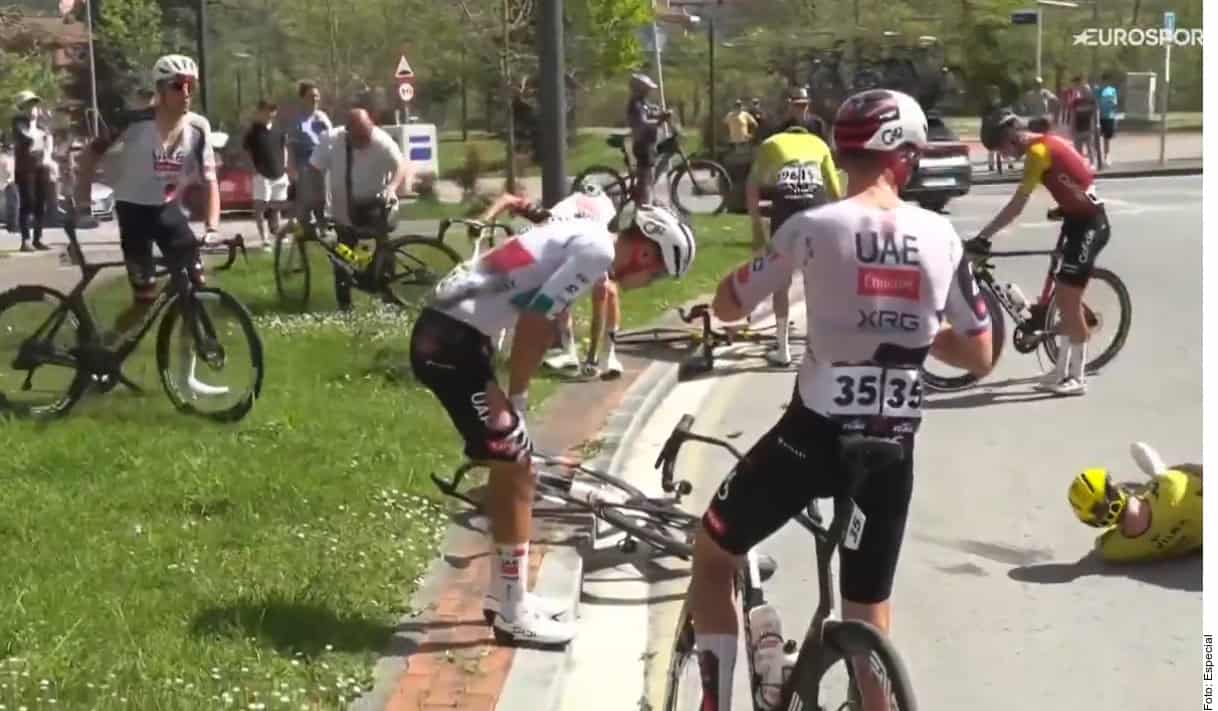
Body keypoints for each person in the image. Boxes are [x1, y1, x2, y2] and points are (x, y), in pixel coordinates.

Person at [687, 89, 992, 711]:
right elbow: (979, 355)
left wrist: (730, 292)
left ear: (843, 151)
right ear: (903, 156)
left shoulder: (812, 227)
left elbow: (729, 306)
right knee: (867, 608)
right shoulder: (941, 234)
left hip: (810, 439)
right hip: (891, 445)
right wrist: (916, 330)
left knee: (714, 553)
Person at [411, 202, 695, 646]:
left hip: (455, 335)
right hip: (450, 342)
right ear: (644, 255)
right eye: (656, 274)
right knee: (516, 462)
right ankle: (511, 609)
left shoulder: (589, 234)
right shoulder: (597, 254)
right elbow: (536, 318)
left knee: (514, 463)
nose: (647, 284)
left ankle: (508, 596)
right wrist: (519, 398)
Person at [75, 54, 220, 341]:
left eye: (192, 85)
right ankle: (106, 345)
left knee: (196, 286)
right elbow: (91, 154)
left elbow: (210, 181)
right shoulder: (134, 122)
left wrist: (213, 227)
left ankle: (188, 371)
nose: (187, 93)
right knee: (144, 301)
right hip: (134, 212)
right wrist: (82, 200)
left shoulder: (198, 127)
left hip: (167, 211)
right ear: (161, 90)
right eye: (179, 86)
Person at [973, 109, 1109, 396]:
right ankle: (1060, 371)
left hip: (1090, 225)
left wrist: (984, 235)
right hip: (1076, 219)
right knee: (1061, 297)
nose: (1005, 157)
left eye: (1002, 150)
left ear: (1011, 138)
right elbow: (1082, 175)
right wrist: (1069, 202)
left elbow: (1017, 205)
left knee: (1068, 302)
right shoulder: (1048, 142)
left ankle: (1078, 378)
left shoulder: (1038, 152)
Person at [475, 186, 625, 378]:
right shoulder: (545, 220)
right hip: (573, 221)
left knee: (608, 290)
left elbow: (601, 298)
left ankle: (608, 356)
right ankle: (568, 352)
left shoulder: (594, 247)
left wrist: (592, 359)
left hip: (599, 221)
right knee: (559, 290)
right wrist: (481, 221)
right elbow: (507, 199)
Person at [745, 121, 843, 366]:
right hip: (816, 216)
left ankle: (783, 349)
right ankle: (818, 347)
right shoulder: (819, 144)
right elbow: (835, 192)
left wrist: (757, 226)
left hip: (785, 216)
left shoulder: (771, 143)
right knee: (815, 283)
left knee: (782, 283)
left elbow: (752, 184)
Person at [307, 108, 407, 312]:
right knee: (342, 255)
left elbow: (401, 166)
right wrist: (315, 203)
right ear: (347, 131)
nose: (364, 140)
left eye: (367, 134)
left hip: (375, 203)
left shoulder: (381, 141)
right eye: (359, 136)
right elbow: (314, 170)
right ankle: (345, 306)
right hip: (344, 207)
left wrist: (391, 187)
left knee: (382, 251)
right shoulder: (331, 140)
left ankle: (390, 297)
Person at [1068, 442, 1201, 563]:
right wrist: (1162, 474)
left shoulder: (1114, 549)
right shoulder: (1171, 486)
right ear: (1113, 488)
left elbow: (1100, 544)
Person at [243, 99, 289, 249]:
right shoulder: (253, 132)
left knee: (277, 207)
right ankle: (264, 239)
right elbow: (246, 153)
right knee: (260, 207)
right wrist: (253, 169)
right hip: (262, 175)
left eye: (273, 110)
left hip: (279, 173)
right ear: (260, 111)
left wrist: (285, 165)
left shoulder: (279, 131)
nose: (271, 113)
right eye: (268, 110)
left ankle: (277, 233)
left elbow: (284, 148)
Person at [11, 90, 53, 251]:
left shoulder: (42, 125)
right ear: (22, 107)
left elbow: (48, 142)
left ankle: (38, 238)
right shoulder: (18, 122)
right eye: (28, 105)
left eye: (34, 105)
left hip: (41, 167)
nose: (33, 109)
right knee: (28, 202)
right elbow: (27, 138)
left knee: (40, 204)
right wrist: (41, 135)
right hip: (25, 169)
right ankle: (25, 240)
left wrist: (48, 156)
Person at [288, 81, 333, 226]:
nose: (315, 99)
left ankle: (323, 225)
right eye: (311, 96)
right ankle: (305, 229)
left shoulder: (322, 117)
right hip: (304, 163)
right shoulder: (296, 120)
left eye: (317, 96)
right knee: (306, 199)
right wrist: (291, 167)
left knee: (323, 197)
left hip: (322, 163)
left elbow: (331, 139)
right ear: (303, 98)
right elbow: (290, 145)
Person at [625, 73, 669, 205]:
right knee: (646, 177)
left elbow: (650, 113)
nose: (649, 91)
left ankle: (646, 200)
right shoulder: (635, 105)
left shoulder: (643, 103)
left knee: (649, 176)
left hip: (648, 143)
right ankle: (645, 205)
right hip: (642, 144)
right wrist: (659, 120)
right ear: (640, 89)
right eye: (647, 89)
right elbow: (642, 124)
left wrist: (659, 114)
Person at [1068, 76, 1098, 166]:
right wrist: (1071, 128)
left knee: (1090, 148)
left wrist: (1096, 125)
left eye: (1087, 90)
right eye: (1083, 90)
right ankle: (1080, 165)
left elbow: (1095, 114)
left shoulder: (1092, 101)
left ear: (1090, 91)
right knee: (1078, 150)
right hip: (1078, 128)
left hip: (1088, 128)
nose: (1085, 92)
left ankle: (1092, 164)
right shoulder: (1076, 102)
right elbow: (1073, 115)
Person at [1097, 73, 1119, 169]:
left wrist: (1112, 103)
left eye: (1107, 81)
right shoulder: (1098, 90)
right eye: (1104, 80)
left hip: (1109, 117)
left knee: (1107, 138)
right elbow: (1096, 103)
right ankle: (1097, 158)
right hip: (1099, 117)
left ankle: (1107, 156)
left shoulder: (1112, 90)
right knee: (1096, 138)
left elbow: (1115, 103)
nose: (1105, 82)